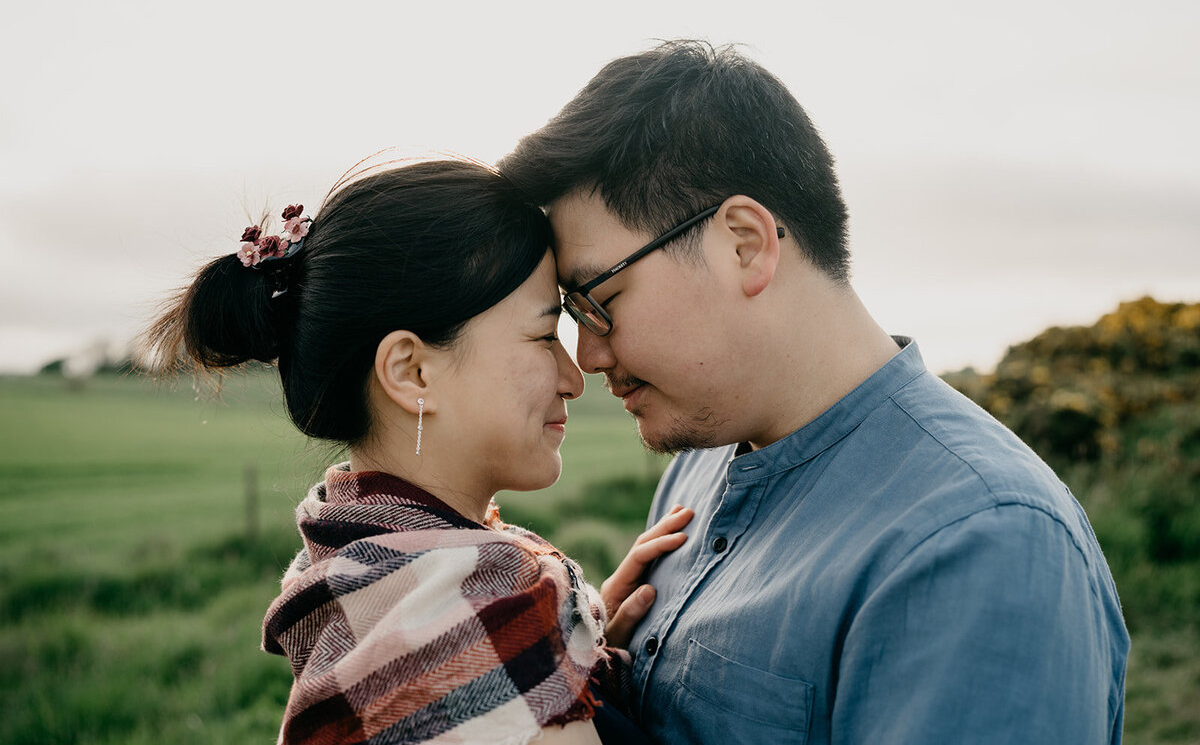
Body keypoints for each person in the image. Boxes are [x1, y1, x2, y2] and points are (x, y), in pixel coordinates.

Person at [498, 41, 1131, 743]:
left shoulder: (981, 545)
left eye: (600, 298)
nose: (585, 356)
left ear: (744, 243)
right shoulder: (700, 460)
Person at [141, 158, 694, 744]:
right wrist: (526, 640)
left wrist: (572, 641)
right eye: (543, 336)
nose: (574, 376)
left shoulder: (375, 582)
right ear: (412, 372)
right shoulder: (462, 619)